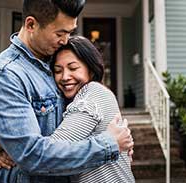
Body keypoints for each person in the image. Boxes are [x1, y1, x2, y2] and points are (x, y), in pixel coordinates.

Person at [0, 0, 133, 183]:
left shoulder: (52, 59)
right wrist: (109, 145)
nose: (65, 40)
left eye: (70, 32)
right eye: (60, 33)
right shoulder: (6, 74)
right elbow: (31, 155)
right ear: (31, 24)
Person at [49, 36, 135, 183]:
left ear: (91, 69)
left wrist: (16, 148)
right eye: (58, 71)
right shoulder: (73, 100)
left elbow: (51, 153)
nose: (64, 77)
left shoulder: (93, 93)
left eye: (73, 68)